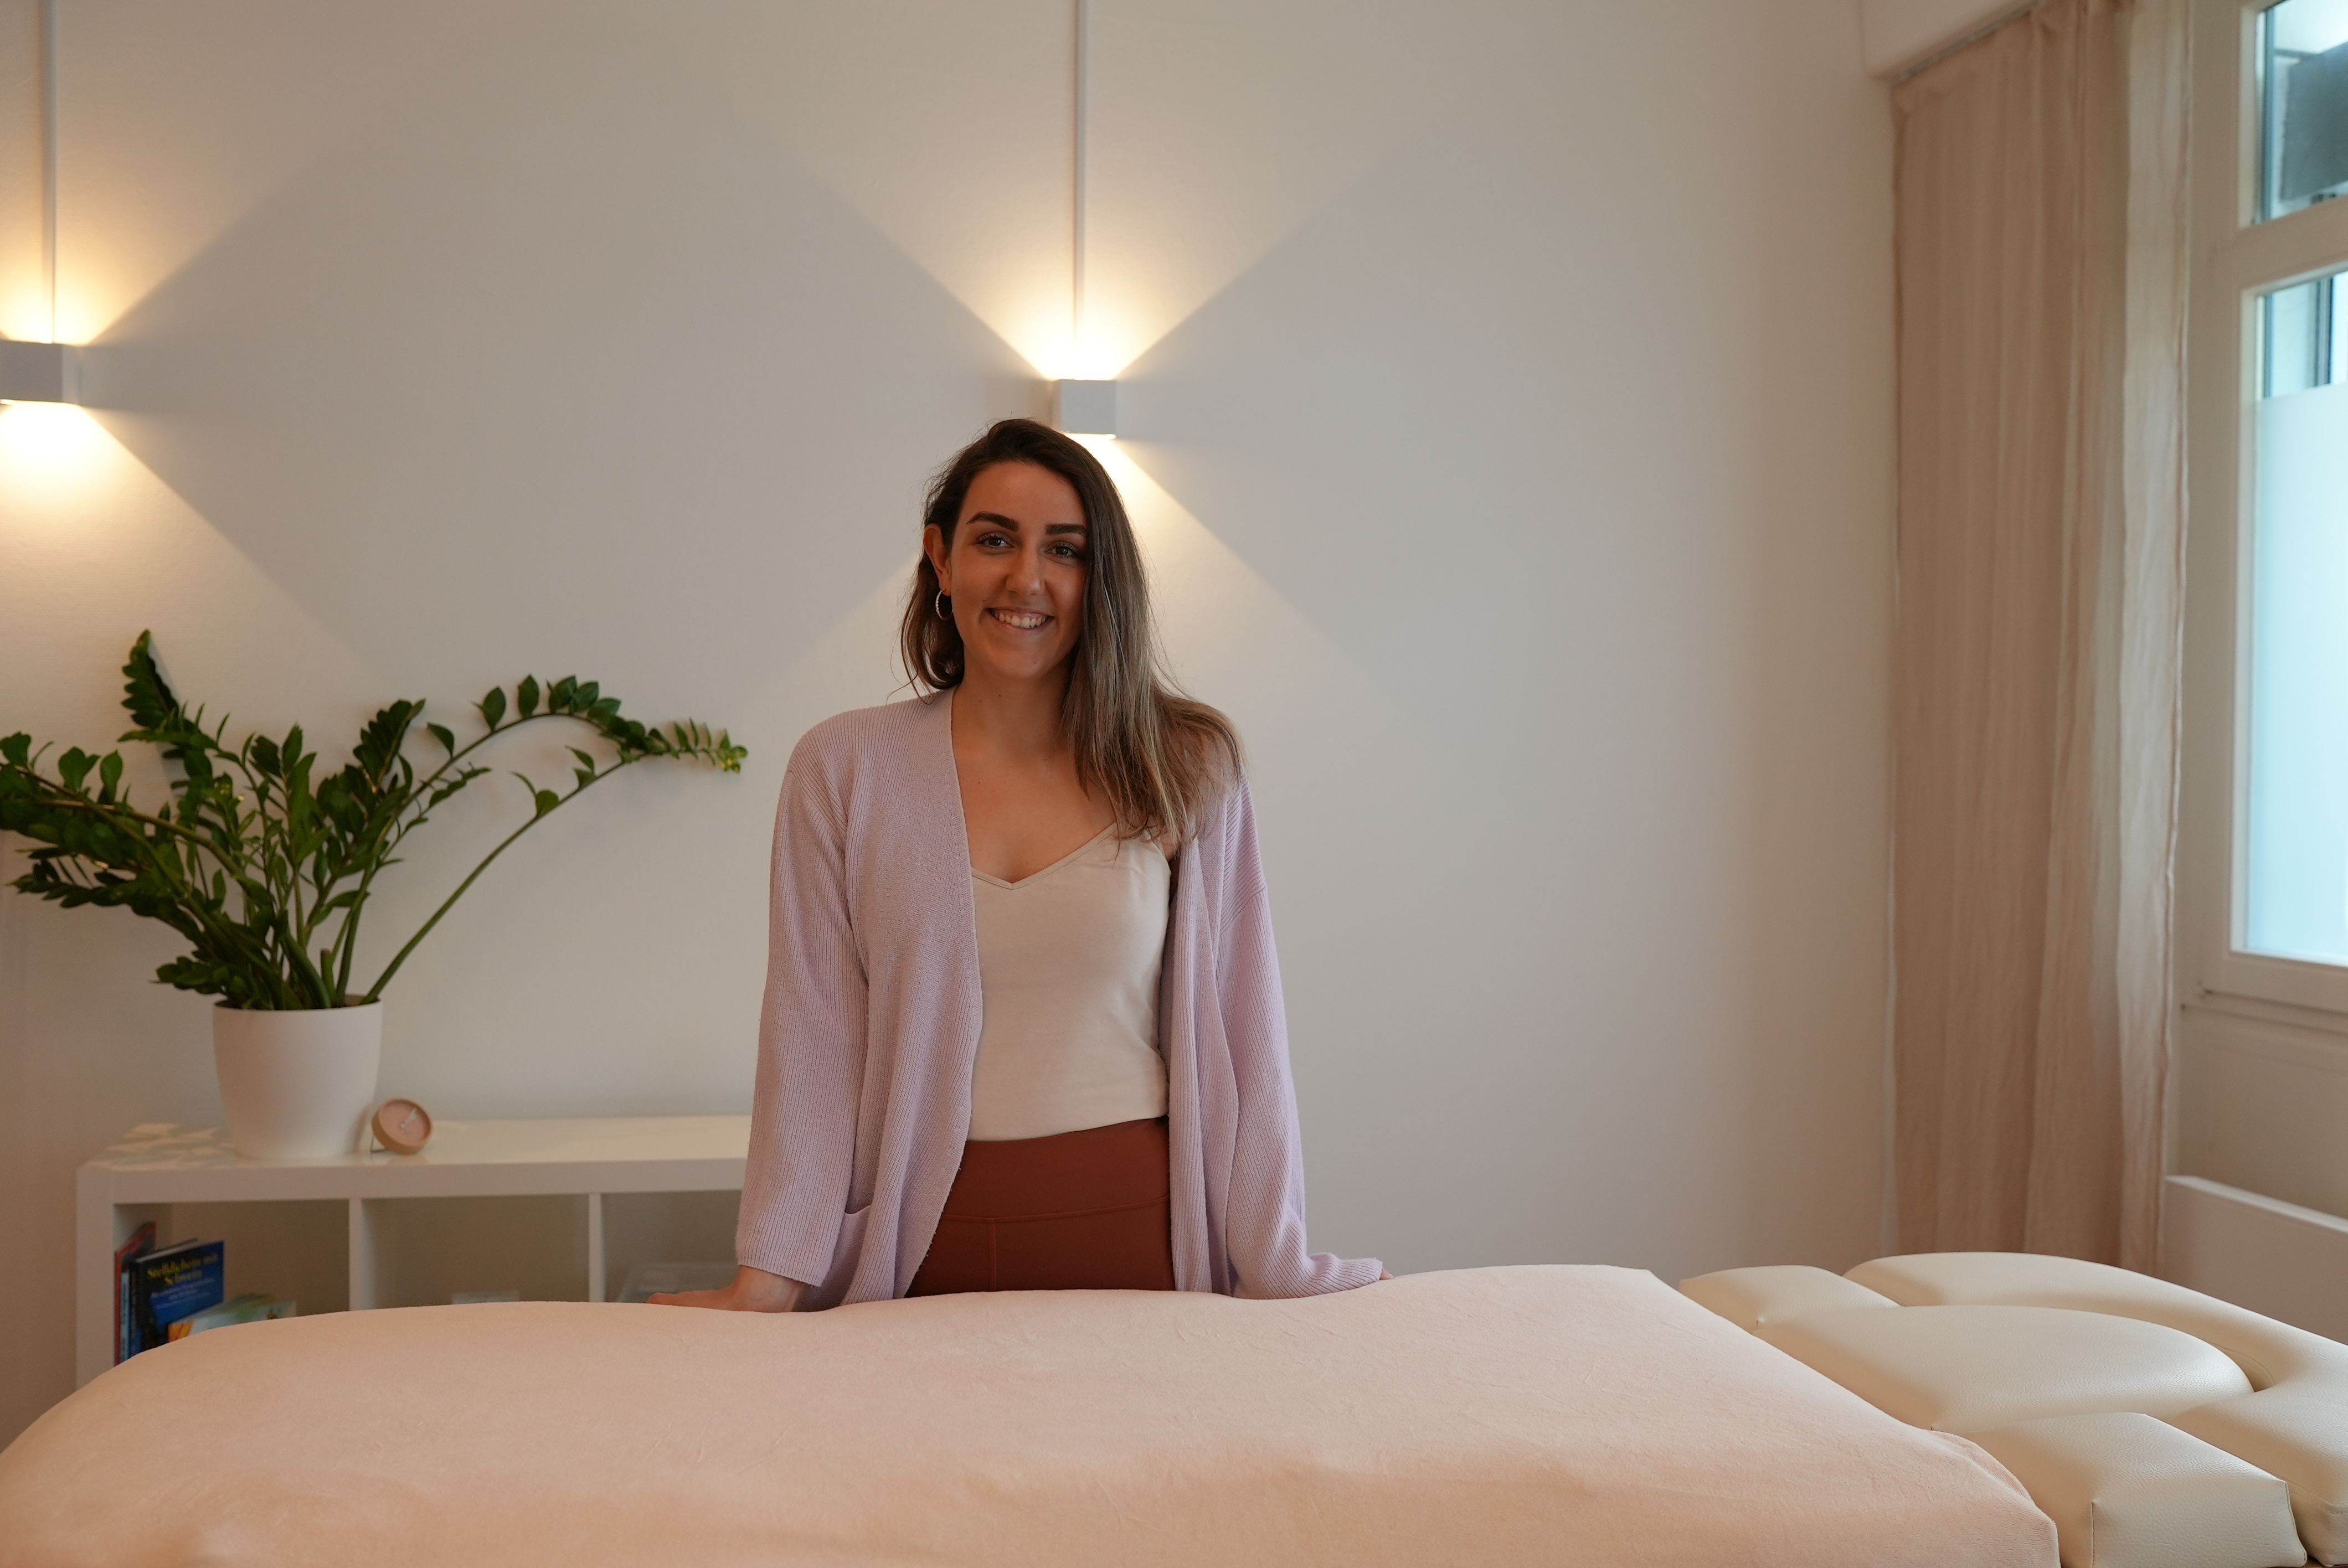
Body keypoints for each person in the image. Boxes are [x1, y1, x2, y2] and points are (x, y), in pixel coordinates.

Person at [654, 419, 1379, 1312]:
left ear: (1100, 579)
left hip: (1136, 1235)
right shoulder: (843, 768)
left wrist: (1276, 1259)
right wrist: (768, 1278)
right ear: (940, 558)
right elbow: (813, 1037)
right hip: (915, 1254)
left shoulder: (1185, 762)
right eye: (994, 540)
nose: (1026, 578)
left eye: (1064, 550)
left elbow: (1245, 1033)